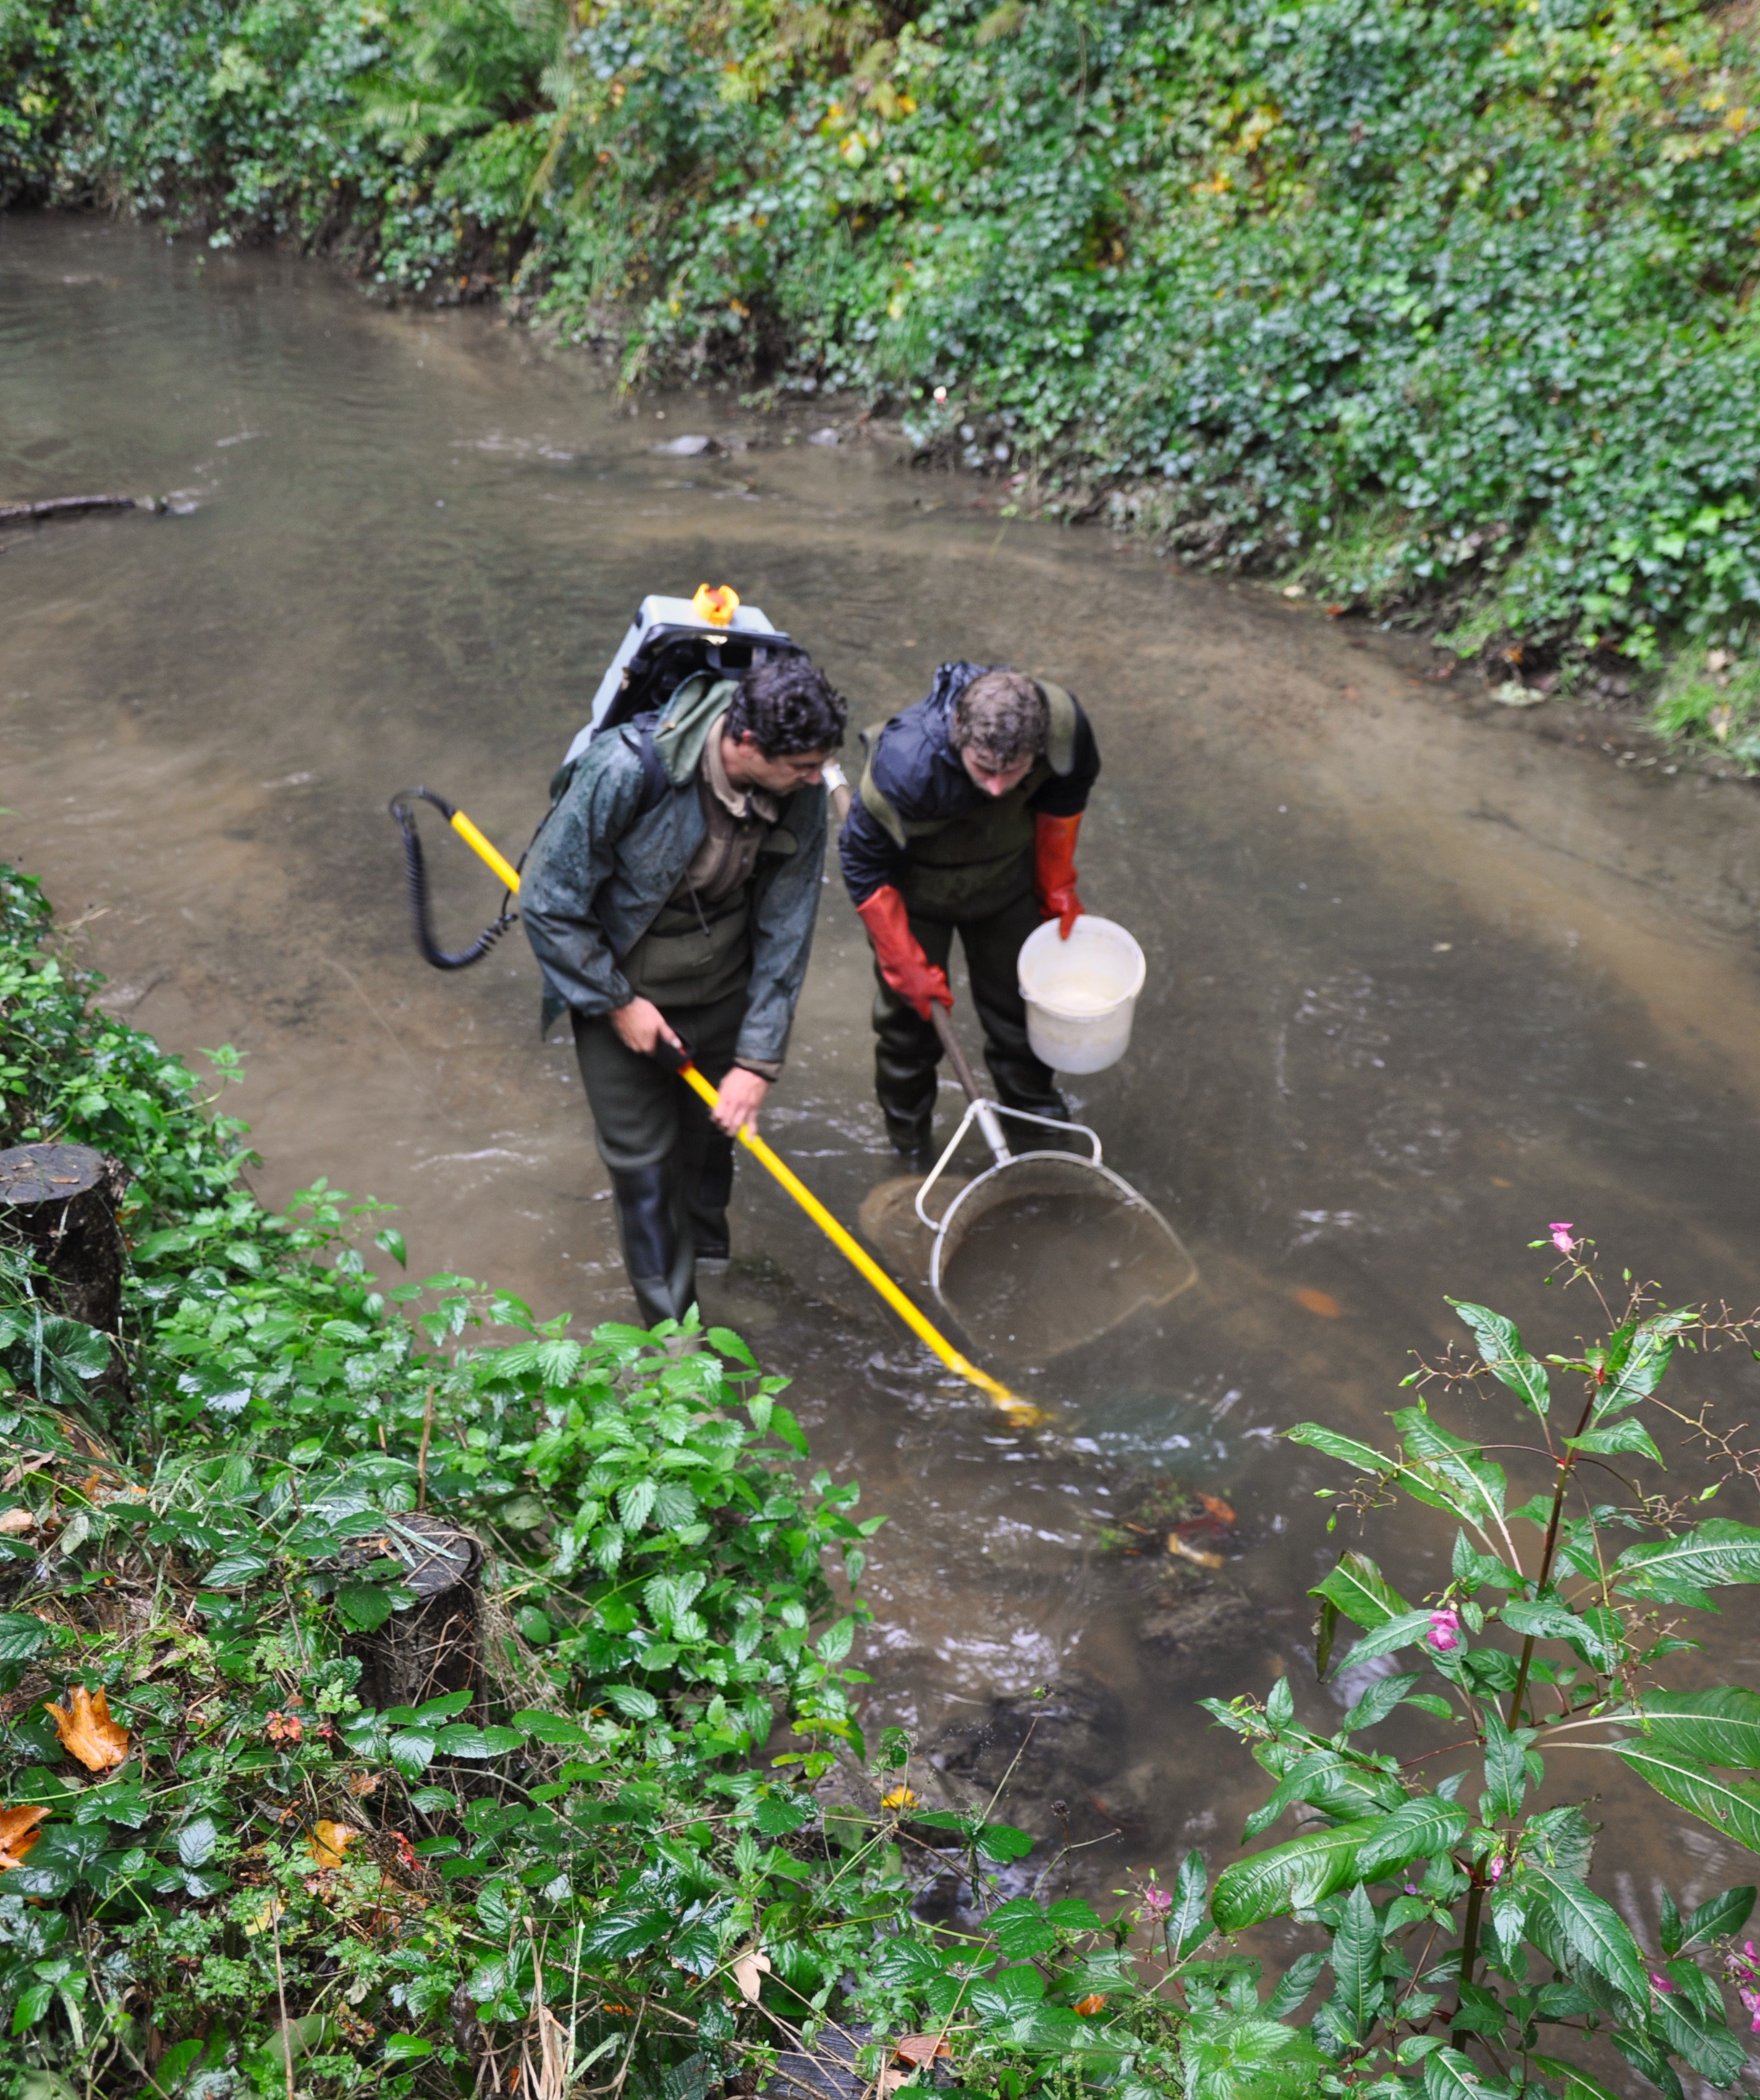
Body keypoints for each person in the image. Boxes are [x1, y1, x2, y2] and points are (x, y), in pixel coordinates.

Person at [522, 654, 847, 1324]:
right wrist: (615, 1003)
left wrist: (757, 1061)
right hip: (618, 985)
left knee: (710, 1141)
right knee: (643, 1164)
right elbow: (549, 902)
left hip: (722, 985)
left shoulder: (802, 791)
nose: (818, 781)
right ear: (746, 744)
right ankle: (673, 1330)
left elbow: (789, 926)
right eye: (804, 768)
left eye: (819, 766)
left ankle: (713, 1274)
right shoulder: (623, 769)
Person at [839, 661, 1100, 1161]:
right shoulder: (905, 765)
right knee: (909, 1027)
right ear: (959, 739)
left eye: (1013, 771)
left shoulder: (1063, 725)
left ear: (1038, 747)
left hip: (1005, 878)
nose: (997, 788)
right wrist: (902, 961)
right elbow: (864, 866)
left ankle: (1036, 1127)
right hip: (915, 892)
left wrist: (1057, 883)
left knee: (1023, 1008)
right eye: (984, 769)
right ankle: (908, 1145)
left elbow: (1067, 794)